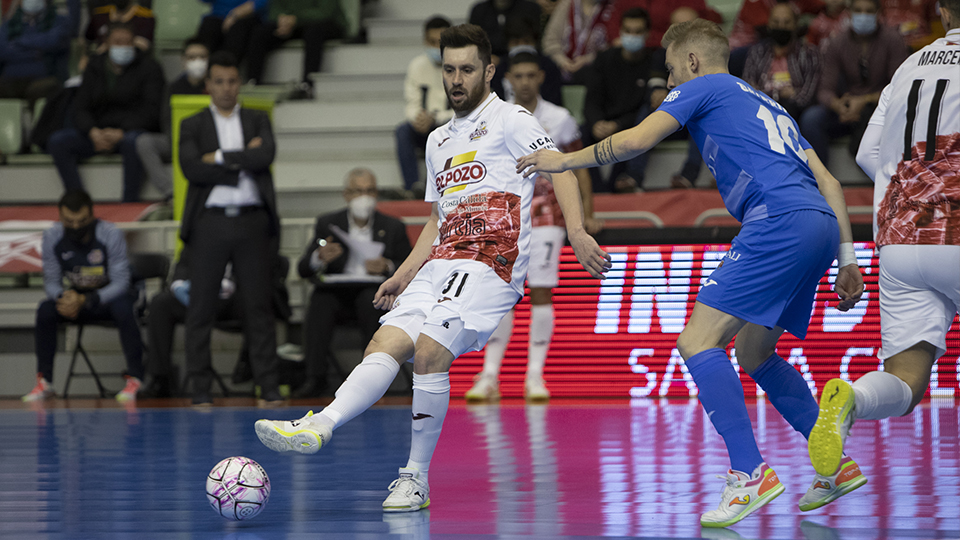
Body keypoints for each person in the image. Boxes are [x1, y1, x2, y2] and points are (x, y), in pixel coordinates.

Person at [516, 18, 865, 527]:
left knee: (697, 342)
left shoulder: (701, 87)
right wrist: (849, 258)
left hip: (777, 221)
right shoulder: (770, 105)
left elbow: (636, 141)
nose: (671, 79)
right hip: (819, 224)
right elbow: (832, 181)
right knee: (753, 352)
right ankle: (836, 467)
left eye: (672, 68)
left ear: (693, 62)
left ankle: (749, 474)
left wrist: (566, 161)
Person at [255, 24, 609, 512]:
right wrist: (402, 275)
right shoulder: (438, 139)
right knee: (386, 344)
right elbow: (436, 219)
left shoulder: (511, 118)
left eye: (467, 69)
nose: (457, 79)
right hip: (442, 262)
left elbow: (560, 166)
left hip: (493, 261)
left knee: (429, 350)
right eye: (449, 69)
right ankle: (322, 423)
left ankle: (415, 478)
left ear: (489, 70)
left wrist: (576, 230)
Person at [809, 0, 959, 489]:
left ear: (940, 10)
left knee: (905, 379)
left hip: (900, 238)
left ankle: (851, 399)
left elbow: (867, 153)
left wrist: (917, 194)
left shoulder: (908, 67)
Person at [466, 52, 602, 402]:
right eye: (519, 76)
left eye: (531, 75)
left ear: (541, 77)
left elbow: (578, 167)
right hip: (503, 217)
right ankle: (489, 375)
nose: (525, 82)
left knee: (541, 290)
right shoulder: (493, 117)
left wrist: (585, 214)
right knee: (501, 297)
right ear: (507, 78)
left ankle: (534, 377)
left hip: (546, 216)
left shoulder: (560, 118)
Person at [178, 51, 283, 407]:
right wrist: (240, 158)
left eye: (232, 81)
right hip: (210, 223)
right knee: (200, 308)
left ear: (240, 83)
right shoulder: (191, 124)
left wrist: (218, 156)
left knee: (258, 307)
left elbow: (265, 155)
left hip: (252, 221)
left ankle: (267, 386)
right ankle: (200, 389)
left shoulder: (256, 119)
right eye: (219, 81)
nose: (226, 88)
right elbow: (192, 168)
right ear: (208, 84)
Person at [292, 168, 412, 398]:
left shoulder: (393, 226)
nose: (363, 197)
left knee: (371, 300)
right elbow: (303, 268)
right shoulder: (328, 223)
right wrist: (320, 257)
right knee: (319, 301)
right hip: (337, 293)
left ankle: (372, 380)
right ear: (346, 194)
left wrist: (387, 266)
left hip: (373, 293)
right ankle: (315, 378)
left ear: (376, 194)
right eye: (357, 191)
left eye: (368, 191)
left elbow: (408, 265)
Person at [22, 190, 145, 402]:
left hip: (111, 297)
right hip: (76, 299)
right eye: (70, 221)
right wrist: (64, 297)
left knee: (124, 309)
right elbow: (50, 281)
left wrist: (88, 300)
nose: (76, 226)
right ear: (60, 217)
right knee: (45, 310)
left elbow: (121, 282)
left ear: (92, 215)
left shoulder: (109, 233)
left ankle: (136, 378)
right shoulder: (52, 236)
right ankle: (45, 382)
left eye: (82, 221)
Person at [141, 245, 291, 398]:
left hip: (233, 298)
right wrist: (179, 285)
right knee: (160, 303)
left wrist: (223, 285)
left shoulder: (247, 231)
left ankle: (256, 374)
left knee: (256, 304)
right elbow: (183, 265)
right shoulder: (199, 232)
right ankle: (158, 377)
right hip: (196, 298)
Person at [47, 22, 165, 203]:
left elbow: (151, 110)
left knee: (135, 142)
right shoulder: (94, 67)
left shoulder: (149, 68)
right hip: (97, 134)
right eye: (118, 42)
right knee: (58, 141)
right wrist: (92, 131)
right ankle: (78, 200)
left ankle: (129, 202)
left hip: (129, 133)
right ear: (107, 44)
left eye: (128, 42)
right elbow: (80, 107)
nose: (123, 47)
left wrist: (121, 132)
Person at [799, 0, 909, 166]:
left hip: (881, 109)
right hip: (847, 110)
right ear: (849, 13)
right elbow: (824, 90)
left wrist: (864, 101)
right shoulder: (837, 42)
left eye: (869, 11)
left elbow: (901, 88)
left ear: (879, 13)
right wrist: (839, 106)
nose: (863, 15)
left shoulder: (893, 40)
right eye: (858, 10)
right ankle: (821, 182)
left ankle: (889, 181)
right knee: (811, 119)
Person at [581, 7, 666, 192]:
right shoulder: (604, 59)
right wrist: (597, 122)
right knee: (581, 133)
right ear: (620, 31)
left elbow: (646, 107)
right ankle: (595, 191)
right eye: (627, 31)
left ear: (647, 33)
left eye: (637, 32)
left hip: (630, 124)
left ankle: (615, 189)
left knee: (634, 135)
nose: (632, 36)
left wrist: (618, 125)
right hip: (603, 121)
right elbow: (591, 100)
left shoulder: (654, 62)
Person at [135, 38, 209, 203]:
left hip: (209, 141)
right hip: (177, 140)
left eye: (202, 57)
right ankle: (170, 193)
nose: (197, 61)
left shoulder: (215, 86)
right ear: (183, 61)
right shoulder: (173, 87)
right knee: (144, 142)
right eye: (191, 57)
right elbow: (166, 120)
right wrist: (179, 142)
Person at [395, 16, 453, 193]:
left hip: (450, 125)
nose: (436, 47)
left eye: (440, 42)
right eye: (432, 41)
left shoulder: (460, 66)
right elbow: (411, 103)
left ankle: (444, 187)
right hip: (423, 126)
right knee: (403, 131)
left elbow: (465, 109)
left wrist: (435, 117)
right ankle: (413, 187)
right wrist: (418, 118)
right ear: (424, 41)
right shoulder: (417, 65)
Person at [246, 0, 346, 97]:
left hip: (327, 22)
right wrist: (282, 21)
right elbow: (274, 9)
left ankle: (307, 85)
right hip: (294, 24)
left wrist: (296, 19)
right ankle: (253, 82)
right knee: (260, 33)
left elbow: (325, 12)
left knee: (314, 33)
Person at [742, 2, 821, 120]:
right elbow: (747, 90)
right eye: (776, 22)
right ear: (768, 24)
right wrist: (780, 94)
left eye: (786, 22)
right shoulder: (757, 52)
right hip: (761, 110)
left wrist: (764, 93)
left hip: (794, 111)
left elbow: (807, 98)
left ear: (796, 24)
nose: (781, 27)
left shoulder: (810, 54)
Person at [0, 0, 78, 111]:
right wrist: (36, 51)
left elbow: (55, 41)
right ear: (20, 2)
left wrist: (17, 44)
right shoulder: (9, 25)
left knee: (44, 89)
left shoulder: (59, 21)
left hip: (44, 80)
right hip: (11, 80)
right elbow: (2, 51)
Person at [490, 15, 563, 106]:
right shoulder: (500, 69)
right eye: (516, 43)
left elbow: (554, 101)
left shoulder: (549, 66)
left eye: (526, 41)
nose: (521, 46)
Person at [542, 0, 618, 82]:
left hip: (597, 74)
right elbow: (550, 40)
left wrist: (588, 60)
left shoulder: (612, 8)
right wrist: (562, 60)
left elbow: (613, 47)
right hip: (560, 69)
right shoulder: (566, 4)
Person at [196, 0, 266, 70]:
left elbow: (260, 3)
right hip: (218, 16)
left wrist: (234, 15)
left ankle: (227, 70)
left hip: (247, 17)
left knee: (237, 30)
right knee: (208, 26)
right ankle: (202, 72)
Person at [468, 0, 542, 58]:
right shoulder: (479, 10)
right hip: (489, 60)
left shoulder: (530, 9)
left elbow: (537, 41)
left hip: (524, 59)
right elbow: (473, 43)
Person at [85, 0, 154, 52]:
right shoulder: (99, 15)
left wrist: (108, 45)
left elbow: (143, 46)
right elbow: (86, 41)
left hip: (136, 65)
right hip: (102, 64)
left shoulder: (145, 18)